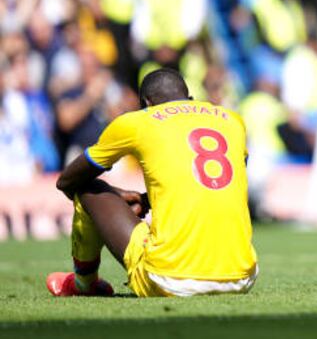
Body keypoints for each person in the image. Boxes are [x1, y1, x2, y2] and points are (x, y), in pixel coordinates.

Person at [46, 68, 258, 297]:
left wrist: (115, 196)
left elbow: (67, 182)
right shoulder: (232, 120)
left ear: (145, 103)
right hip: (242, 277)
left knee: (89, 188)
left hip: (171, 280)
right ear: (189, 99)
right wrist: (153, 198)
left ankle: (83, 284)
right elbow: (216, 184)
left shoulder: (139, 121)